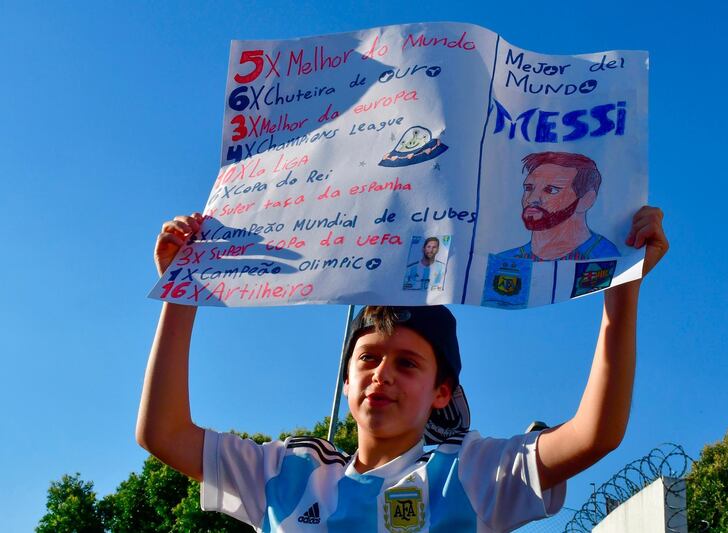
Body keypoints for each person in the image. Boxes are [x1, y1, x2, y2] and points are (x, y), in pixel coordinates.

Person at [137, 206, 668, 532]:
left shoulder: (471, 475)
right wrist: (181, 293)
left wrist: (621, 299)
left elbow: (595, 435)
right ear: (347, 380)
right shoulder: (286, 474)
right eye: (367, 358)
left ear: (442, 392)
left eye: (407, 363)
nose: (381, 373)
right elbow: (162, 434)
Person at [499, 151, 621, 261]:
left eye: (551, 190)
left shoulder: (608, 257)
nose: (532, 199)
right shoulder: (506, 260)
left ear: (586, 200)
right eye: (528, 188)